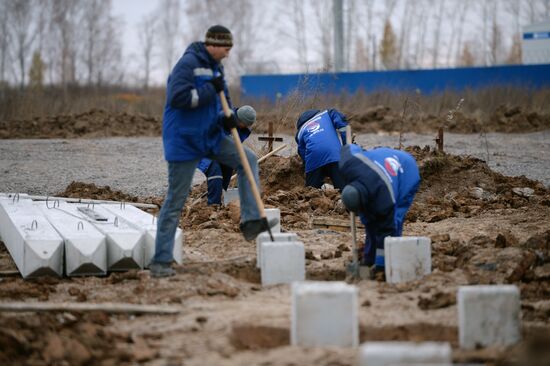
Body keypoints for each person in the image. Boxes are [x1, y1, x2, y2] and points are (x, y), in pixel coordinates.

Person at [150, 25, 277, 278]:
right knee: (176, 199)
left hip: (210, 137)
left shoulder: (217, 68)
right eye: (226, 48)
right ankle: (160, 261)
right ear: (213, 45)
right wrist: (210, 89)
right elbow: (179, 99)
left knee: (248, 159)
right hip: (185, 140)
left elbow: (223, 105)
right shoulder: (188, 64)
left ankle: (251, 221)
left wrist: (227, 118)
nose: (229, 53)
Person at [338, 143, 421, 273]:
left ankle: (389, 260)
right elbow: (348, 149)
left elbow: (386, 230)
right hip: (380, 159)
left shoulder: (385, 201)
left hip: (406, 171)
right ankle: (369, 258)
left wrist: (380, 267)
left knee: (393, 221)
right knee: (369, 220)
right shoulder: (348, 164)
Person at [197, 105, 256, 205]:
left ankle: (219, 196)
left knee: (228, 166)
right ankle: (213, 205)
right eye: (244, 125)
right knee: (215, 171)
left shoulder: (240, 129)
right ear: (239, 119)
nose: (245, 127)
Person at [295, 109, 348, 191]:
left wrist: (307, 166)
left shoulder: (300, 132)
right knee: (343, 189)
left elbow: (301, 152)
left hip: (314, 160)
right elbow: (343, 125)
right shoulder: (327, 114)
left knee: (310, 192)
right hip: (334, 155)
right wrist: (348, 145)